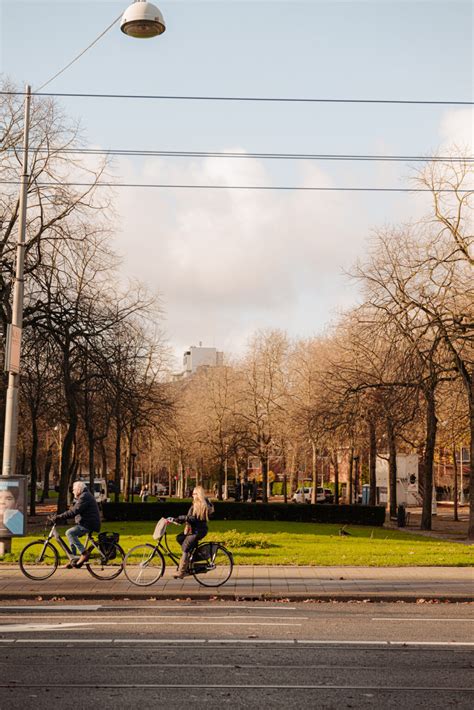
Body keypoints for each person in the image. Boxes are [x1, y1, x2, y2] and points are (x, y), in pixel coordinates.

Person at [52, 480, 101, 567]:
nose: (73, 491)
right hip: (86, 522)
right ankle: (73, 560)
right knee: (71, 536)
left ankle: (84, 553)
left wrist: (59, 517)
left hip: (89, 524)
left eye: (74, 489)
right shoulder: (83, 496)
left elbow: (74, 511)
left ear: (79, 489)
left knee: (69, 533)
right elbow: (74, 509)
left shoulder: (84, 496)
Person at [173, 486, 214, 579]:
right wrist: (177, 520)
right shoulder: (198, 503)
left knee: (185, 547)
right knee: (180, 538)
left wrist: (182, 517)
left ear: (198, 494)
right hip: (196, 530)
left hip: (197, 531)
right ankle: (190, 558)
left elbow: (194, 518)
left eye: (194, 493)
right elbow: (191, 518)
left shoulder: (201, 505)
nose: (192, 495)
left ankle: (181, 572)